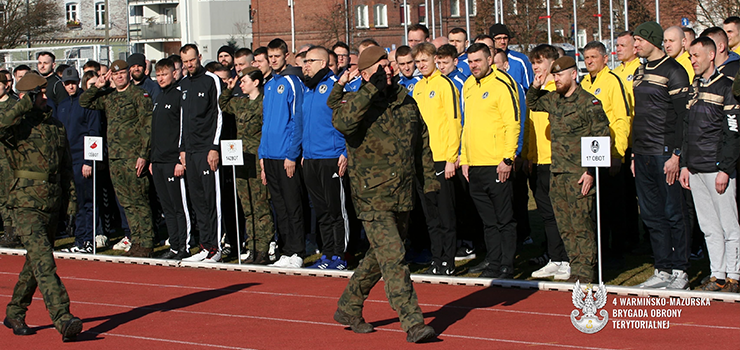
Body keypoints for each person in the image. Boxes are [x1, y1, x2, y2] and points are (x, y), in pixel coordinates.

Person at [328, 46, 438, 343]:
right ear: (364, 74)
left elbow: (421, 143)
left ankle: (349, 306)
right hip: (372, 195)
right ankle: (413, 322)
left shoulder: (405, 101)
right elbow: (343, 123)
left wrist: (429, 182)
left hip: (401, 192)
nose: (387, 70)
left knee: (380, 255)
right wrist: (369, 90)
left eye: (388, 65)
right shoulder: (356, 102)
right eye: (380, 67)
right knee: (394, 258)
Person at [1, 73, 82, 342]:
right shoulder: (17, 125)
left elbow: (66, 166)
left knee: (34, 263)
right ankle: (62, 318)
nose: (46, 97)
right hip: (24, 203)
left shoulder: (55, 126)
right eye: (40, 94)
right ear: (28, 97)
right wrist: (23, 102)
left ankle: (14, 312)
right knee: (44, 262)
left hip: (51, 200)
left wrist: (70, 200)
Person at [527, 56, 611, 283]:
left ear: (573, 74)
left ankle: (587, 272)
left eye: (559, 75)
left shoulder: (588, 103)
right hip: (558, 173)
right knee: (565, 226)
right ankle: (576, 269)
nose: (556, 79)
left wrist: (591, 172)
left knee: (581, 225)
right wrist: (536, 84)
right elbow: (532, 103)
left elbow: (601, 138)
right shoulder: (554, 99)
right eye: (553, 76)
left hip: (579, 174)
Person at [632, 21, 691, 289]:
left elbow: (683, 117)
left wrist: (677, 155)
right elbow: (638, 115)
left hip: (665, 152)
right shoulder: (639, 71)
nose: (635, 45)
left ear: (652, 41)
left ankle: (680, 269)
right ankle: (662, 267)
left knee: (673, 212)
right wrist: (634, 154)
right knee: (651, 214)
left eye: (639, 40)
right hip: (643, 153)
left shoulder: (675, 71)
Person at [679, 37, 740, 293]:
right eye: (691, 55)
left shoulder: (727, 87)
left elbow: (733, 132)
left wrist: (725, 168)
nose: (692, 60)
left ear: (711, 55)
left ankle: (734, 275)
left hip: (717, 169)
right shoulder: (694, 88)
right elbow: (686, 128)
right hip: (695, 168)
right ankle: (718, 275)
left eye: (696, 55)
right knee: (709, 227)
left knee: (729, 224)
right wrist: (684, 164)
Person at [79, 60, 155, 257]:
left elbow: (148, 126)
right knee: (126, 201)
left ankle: (146, 242)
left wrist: (143, 155)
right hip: (115, 158)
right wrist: (97, 85)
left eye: (122, 73)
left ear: (128, 73)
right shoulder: (109, 97)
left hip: (133, 157)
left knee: (139, 200)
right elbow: (84, 102)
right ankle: (136, 240)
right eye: (115, 74)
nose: (119, 77)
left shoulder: (139, 95)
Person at [460, 43, 519, 279]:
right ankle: (493, 262)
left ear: (489, 59)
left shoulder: (502, 85)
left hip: (497, 164)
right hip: (475, 165)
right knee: (488, 221)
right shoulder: (468, 86)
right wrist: (465, 159)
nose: (474, 65)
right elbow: (467, 126)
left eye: (478, 60)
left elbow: (512, 123)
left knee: (504, 219)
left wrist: (507, 158)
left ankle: (507, 264)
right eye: (470, 61)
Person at [411, 43, 461, 275]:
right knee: (430, 215)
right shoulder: (418, 88)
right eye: (418, 61)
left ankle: (448, 261)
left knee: (445, 213)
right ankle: (436, 257)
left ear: (435, 60)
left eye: (425, 60)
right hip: (422, 160)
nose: (421, 65)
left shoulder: (445, 85)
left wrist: (452, 157)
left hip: (442, 158)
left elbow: (453, 121)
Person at [580, 41, 631, 267]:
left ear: (604, 58)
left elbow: (622, 118)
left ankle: (617, 251)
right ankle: (598, 250)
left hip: (608, 152)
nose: (589, 61)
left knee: (612, 206)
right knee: (594, 207)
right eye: (586, 58)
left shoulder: (612, 81)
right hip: (588, 152)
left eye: (593, 57)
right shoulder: (583, 83)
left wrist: (618, 152)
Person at [300, 46, 350, 270]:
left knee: (335, 210)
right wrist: (302, 153)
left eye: (310, 61)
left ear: (323, 63)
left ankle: (340, 255)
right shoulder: (307, 90)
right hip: (311, 159)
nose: (305, 65)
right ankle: (328, 253)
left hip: (331, 157)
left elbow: (348, 124)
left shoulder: (335, 87)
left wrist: (345, 153)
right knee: (320, 211)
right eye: (304, 61)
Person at [524, 44, 570, 281]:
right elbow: (532, 127)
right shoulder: (537, 90)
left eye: (540, 62)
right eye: (533, 63)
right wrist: (530, 155)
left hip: (557, 161)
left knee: (560, 212)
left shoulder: (558, 89)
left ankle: (566, 258)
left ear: (552, 63)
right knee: (547, 213)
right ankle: (556, 257)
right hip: (540, 161)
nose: (535, 67)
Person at [220, 67, 274, 264]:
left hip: (257, 159)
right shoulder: (240, 103)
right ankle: (252, 247)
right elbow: (223, 103)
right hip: (240, 159)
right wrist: (229, 87)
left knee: (261, 206)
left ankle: (264, 248)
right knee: (247, 206)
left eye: (244, 81)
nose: (241, 84)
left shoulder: (265, 103)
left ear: (256, 82)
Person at [177, 44, 225, 263]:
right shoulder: (184, 84)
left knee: (210, 199)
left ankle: (216, 247)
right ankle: (204, 246)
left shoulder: (211, 80)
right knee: (197, 201)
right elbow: (182, 121)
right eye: (185, 61)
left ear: (199, 58)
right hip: (191, 151)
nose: (189, 65)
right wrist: (183, 149)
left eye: (192, 60)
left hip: (207, 150)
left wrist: (214, 146)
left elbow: (218, 114)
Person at [261, 38, 306, 268]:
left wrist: (292, 154)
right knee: (279, 206)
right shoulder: (269, 85)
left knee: (292, 204)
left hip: (286, 156)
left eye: (277, 56)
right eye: (270, 57)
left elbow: (298, 120)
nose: (273, 60)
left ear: (286, 56)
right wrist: (262, 156)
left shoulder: (292, 82)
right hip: (269, 155)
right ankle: (286, 250)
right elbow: (266, 122)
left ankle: (297, 251)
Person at [54, 67, 103, 254]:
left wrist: (89, 162)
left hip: (83, 160)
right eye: (67, 83)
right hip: (68, 161)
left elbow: (94, 132)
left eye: (73, 82)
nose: (70, 86)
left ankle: (89, 239)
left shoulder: (87, 103)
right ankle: (80, 239)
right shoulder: (63, 105)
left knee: (88, 202)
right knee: (76, 203)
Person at [148, 59, 192, 260]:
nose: (161, 79)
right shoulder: (157, 96)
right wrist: (152, 159)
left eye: (164, 74)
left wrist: (178, 159)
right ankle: (174, 245)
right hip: (157, 162)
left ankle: (184, 245)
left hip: (173, 161)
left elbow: (183, 129)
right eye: (158, 75)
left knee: (178, 206)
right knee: (167, 207)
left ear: (174, 73)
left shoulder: (178, 96)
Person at [613, 31, 642, 250]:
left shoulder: (639, 70)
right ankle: (627, 238)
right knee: (622, 195)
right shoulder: (616, 73)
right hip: (618, 141)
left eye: (623, 45)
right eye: (617, 45)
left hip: (636, 140)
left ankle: (637, 237)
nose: (618, 49)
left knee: (637, 195)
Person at [0, 73, 18, 248]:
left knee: (10, 195)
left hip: (8, 158)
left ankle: (14, 231)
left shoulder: (14, 105)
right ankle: (7, 231)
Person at [489, 24, 534, 90]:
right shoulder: (486, 61)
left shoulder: (521, 60)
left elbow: (529, 87)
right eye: (498, 38)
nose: (502, 42)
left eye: (505, 38)